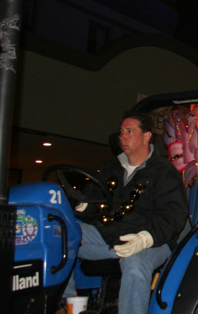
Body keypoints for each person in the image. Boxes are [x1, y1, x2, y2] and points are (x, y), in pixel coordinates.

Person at [65, 113, 188, 314]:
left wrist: (146, 238)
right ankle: (66, 305)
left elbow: (173, 214)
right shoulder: (110, 167)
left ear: (147, 136)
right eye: (121, 132)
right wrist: (82, 206)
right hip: (109, 235)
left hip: (150, 239)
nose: (122, 136)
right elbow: (94, 202)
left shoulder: (163, 171)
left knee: (135, 263)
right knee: (59, 233)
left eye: (129, 131)